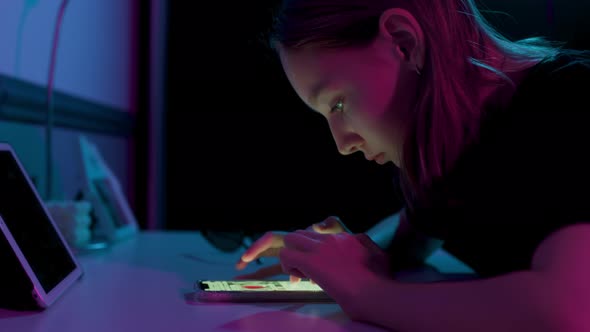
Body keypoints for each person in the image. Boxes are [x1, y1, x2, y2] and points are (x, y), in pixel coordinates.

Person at [235, 0, 590, 331]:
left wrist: (365, 293)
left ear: (403, 42)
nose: (343, 145)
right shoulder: (464, 148)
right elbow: (414, 231)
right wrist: (348, 253)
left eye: (338, 105)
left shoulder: (567, 103)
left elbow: (570, 308)